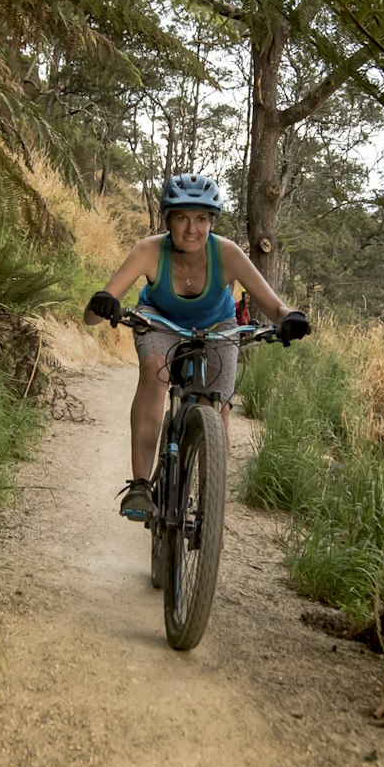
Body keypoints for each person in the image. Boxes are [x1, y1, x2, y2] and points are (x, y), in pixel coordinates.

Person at [83, 173, 310, 519]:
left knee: (217, 410)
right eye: (182, 218)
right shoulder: (149, 250)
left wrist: (290, 318)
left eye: (202, 218)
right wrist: (103, 305)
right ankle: (141, 486)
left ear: (212, 222)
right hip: (159, 320)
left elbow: (275, 307)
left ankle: (209, 505)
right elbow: (92, 315)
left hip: (218, 327)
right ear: (168, 220)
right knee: (153, 371)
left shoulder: (227, 254)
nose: (192, 228)